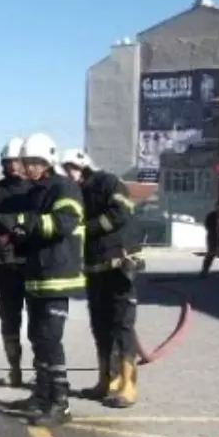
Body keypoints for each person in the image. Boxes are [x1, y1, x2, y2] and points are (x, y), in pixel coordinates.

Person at [5, 133, 86, 426]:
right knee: (37, 338)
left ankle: (60, 403)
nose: (27, 169)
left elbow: (64, 222)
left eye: (31, 163)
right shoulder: (36, 190)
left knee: (51, 340)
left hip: (57, 276)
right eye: (25, 164)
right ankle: (41, 395)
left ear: (45, 161)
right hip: (36, 276)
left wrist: (29, 226)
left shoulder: (64, 187)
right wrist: (18, 236)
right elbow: (31, 229)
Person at [61, 148, 141, 409]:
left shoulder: (108, 182)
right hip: (95, 270)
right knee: (100, 328)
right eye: (66, 168)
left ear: (83, 165)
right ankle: (104, 381)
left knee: (122, 326)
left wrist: (87, 229)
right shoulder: (76, 193)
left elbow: (120, 213)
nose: (69, 172)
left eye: (72, 167)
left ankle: (128, 385)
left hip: (119, 266)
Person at [0, 137, 41, 388]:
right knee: (9, 319)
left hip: (31, 263)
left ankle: (40, 370)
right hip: (4, 264)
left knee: (38, 321)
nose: (13, 166)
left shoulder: (36, 189)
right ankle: (15, 369)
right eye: (8, 162)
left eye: (16, 161)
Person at [200, 208, 219, 278]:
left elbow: (206, 225)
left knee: (215, 253)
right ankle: (205, 270)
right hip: (214, 235)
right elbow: (207, 225)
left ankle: (205, 271)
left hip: (216, 235)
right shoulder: (215, 215)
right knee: (213, 252)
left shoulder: (212, 215)